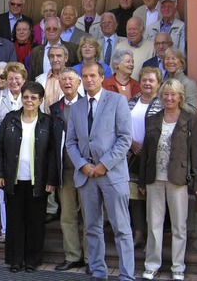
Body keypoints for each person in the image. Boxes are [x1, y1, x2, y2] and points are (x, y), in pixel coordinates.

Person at [65, 62, 135, 281]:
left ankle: (126, 275)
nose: (88, 80)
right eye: (84, 76)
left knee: (121, 229)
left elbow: (125, 139)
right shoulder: (76, 107)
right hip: (87, 176)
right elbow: (71, 143)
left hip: (112, 175)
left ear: (102, 77)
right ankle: (98, 271)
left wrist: (104, 164)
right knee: (92, 228)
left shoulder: (117, 101)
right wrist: (83, 165)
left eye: (92, 76)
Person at [138, 79, 197, 281]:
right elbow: (146, 153)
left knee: (179, 226)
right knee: (154, 224)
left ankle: (178, 267)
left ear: (180, 97)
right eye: (165, 94)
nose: (169, 98)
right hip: (154, 179)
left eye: (173, 94)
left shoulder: (190, 119)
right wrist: (142, 181)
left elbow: (196, 152)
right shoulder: (153, 119)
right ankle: (152, 265)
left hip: (178, 179)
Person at [0, 81, 56, 273]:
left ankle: (32, 260)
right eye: (26, 96)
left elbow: (53, 153)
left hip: (38, 182)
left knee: (35, 222)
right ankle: (15, 259)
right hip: (14, 180)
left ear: (41, 100)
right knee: (15, 221)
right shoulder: (10, 119)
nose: (29, 101)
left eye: (33, 98)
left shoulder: (47, 122)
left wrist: (51, 180)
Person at [50, 68, 87, 272]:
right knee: (67, 216)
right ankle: (73, 256)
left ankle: (91, 258)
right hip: (64, 169)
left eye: (71, 79)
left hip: (86, 169)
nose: (67, 83)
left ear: (79, 81)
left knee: (90, 216)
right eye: (63, 79)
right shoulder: (55, 107)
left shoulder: (87, 104)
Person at [0, 62, 27, 244]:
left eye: (17, 78)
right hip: (3, 149)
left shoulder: (29, 96)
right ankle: (5, 229)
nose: (13, 82)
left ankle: (22, 228)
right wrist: (8, 134)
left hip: (26, 149)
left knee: (23, 190)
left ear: (23, 79)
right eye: (10, 78)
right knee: (4, 192)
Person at [127, 67, 163, 250]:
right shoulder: (131, 102)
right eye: (144, 80)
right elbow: (122, 126)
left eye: (151, 80)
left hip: (154, 157)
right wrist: (132, 143)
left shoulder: (163, 103)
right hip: (133, 155)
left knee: (152, 195)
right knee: (134, 196)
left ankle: (153, 235)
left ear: (158, 83)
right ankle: (138, 232)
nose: (147, 83)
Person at [28, 16, 78, 81]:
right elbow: (32, 77)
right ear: (44, 31)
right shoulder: (36, 51)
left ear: (60, 30)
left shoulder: (72, 49)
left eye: (54, 29)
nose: (51, 31)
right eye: (48, 29)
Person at [163, 48, 197, 115]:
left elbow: (192, 111)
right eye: (167, 59)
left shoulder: (188, 83)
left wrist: (177, 101)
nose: (170, 61)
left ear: (181, 63)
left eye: (173, 58)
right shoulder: (162, 82)